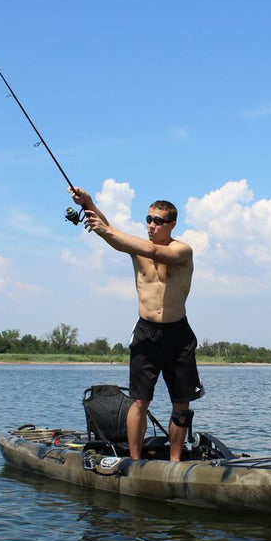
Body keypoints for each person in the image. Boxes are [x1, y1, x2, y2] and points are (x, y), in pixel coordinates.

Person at [70, 186, 203, 461]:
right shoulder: (136, 250)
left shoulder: (183, 251)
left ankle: (175, 463)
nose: (151, 225)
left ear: (172, 224)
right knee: (139, 401)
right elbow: (112, 233)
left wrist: (107, 231)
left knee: (181, 405)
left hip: (178, 333)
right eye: (149, 219)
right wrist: (89, 203)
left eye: (158, 221)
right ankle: (135, 461)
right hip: (146, 332)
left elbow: (146, 248)